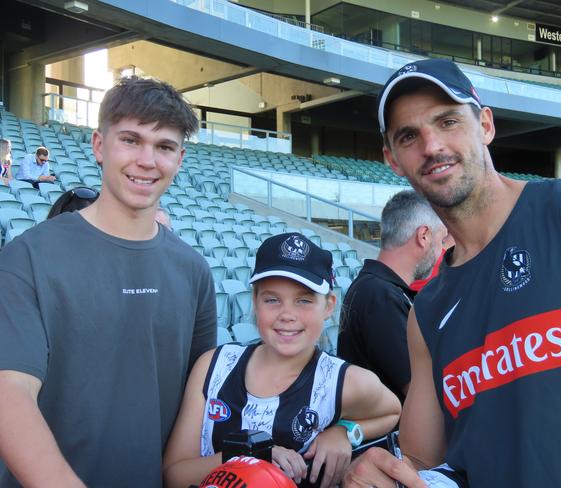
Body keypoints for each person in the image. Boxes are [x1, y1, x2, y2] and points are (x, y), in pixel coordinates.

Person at [343, 58, 561, 487]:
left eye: (447, 121)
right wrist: (381, 476)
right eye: (409, 136)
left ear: (485, 125)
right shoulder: (426, 314)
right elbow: (420, 462)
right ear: (392, 159)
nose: (431, 146)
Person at [0, 76, 216, 487]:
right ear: (100, 146)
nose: (147, 160)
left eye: (164, 147)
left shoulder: (193, 271)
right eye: (131, 140)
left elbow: (197, 404)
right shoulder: (27, 257)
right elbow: (9, 394)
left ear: (180, 159)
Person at [163, 232, 401, 488]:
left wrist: (345, 432)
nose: (287, 314)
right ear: (255, 301)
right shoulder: (213, 366)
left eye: (304, 300)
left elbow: (392, 411)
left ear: (329, 305)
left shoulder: (343, 381)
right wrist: (249, 457)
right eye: (272, 299)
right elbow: (173, 474)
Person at [337, 190, 447, 402]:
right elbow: (422, 391)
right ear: (423, 236)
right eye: (441, 241)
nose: (440, 251)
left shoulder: (376, 288)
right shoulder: (380, 296)